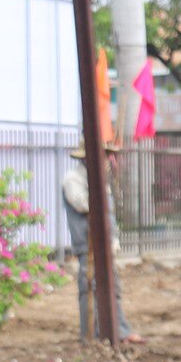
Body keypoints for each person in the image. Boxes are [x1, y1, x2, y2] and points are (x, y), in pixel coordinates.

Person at [62, 142, 143, 344]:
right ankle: (91, 333)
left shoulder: (101, 181)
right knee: (89, 287)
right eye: (105, 157)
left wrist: (113, 238)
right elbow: (84, 204)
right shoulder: (73, 179)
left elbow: (109, 215)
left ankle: (119, 330)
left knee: (111, 287)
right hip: (87, 244)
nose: (108, 161)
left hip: (104, 244)